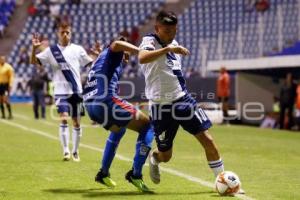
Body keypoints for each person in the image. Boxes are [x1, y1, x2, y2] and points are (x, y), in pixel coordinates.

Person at [138, 11, 228, 189]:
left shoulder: (175, 44)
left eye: (174, 31)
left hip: (182, 100)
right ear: (157, 28)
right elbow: (142, 58)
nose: (171, 35)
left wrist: (171, 47)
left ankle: (223, 181)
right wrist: (168, 49)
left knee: (207, 139)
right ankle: (155, 158)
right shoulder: (149, 41)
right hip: (160, 107)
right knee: (166, 155)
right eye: (167, 31)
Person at [83, 37, 154, 193]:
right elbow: (116, 44)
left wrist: (123, 58)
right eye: (126, 52)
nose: (127, 57)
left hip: (90, 106)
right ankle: (136, 174)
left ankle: (103, 173)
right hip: (106, 102)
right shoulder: (114, 51)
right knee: (148, 125)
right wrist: (139, 51)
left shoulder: (101, 59)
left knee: (119, 129)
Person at [30, 21, 94, 162]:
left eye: (67, 32)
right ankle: (66, 150)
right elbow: (34, 62)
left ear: (71, 34)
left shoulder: (78, 49)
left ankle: (75, 151)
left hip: (76, 90)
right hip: (60, 91)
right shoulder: (51, 51)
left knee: (76, 122)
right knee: (64, 118)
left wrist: (97, 56)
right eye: (62, 32)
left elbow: (91, 64)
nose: (65, 34)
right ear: (57, 34)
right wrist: (34, 49)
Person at [0, 55, 14, 119]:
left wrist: (10, 85)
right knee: (0, 100)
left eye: (3, 59)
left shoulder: (8, 67)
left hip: (5, 85)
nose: (2, 60)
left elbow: (11, 77)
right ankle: (3, 115)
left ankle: (10, 114)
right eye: (1, 59)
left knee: (5, 99)